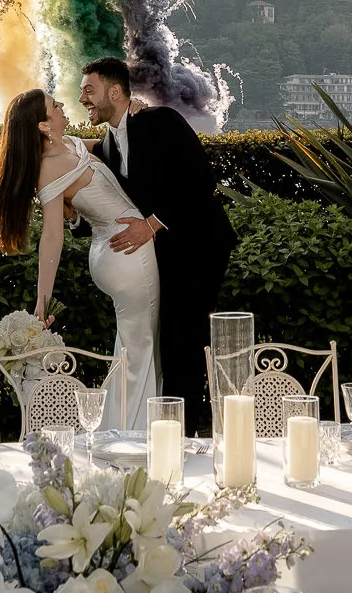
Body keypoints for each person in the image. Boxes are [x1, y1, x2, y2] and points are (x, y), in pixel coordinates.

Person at [80, 57, 237, 434]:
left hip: (199, 246)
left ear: (115, 92)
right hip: (163, 255)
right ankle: (177, 429)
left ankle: (187, 435)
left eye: (89, 90)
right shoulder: (106, 146)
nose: (82, 98)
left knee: (183, 337)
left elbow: (201, 179)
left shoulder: (161, 121)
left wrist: (150, 226)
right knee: (171, 340)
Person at [0, 88, 158, 429]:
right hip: (128, 255)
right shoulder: (49, 167)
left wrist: (134, 112)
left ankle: (122, 432)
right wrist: (43, 301)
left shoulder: (70, 144)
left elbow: (116, 145)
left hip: (116, 251)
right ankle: (133, 441)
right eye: (55, 106)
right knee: (141, 353)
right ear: (42, 126)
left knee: (132, 350)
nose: (64, 107)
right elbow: (52, 237)